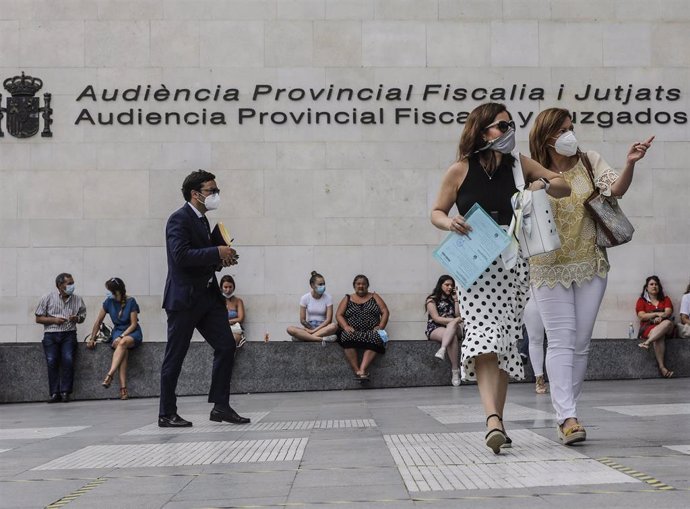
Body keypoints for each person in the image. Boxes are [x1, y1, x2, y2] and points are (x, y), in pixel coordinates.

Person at [431, 102, 570, 453]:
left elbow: (562, 184)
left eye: (511, 126)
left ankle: (499, 422)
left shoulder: (519, 164)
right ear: (481, 131)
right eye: (501, 126)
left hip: (513, 264)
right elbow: (436, 212)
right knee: (482, 336)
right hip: (474, 266)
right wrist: (450, 222)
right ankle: (491, 418)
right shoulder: (460, 169)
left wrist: (541, 186)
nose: (508, 132)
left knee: (506, 340)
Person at [528, 107, 653, 445]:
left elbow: (616, 191)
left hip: (590, 264)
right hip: (547, 267)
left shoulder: (588, 160)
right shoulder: (530, 169)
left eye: (572, 127)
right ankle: (567, 417)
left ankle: (569, 410)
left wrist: (630, 163)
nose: (572, 134)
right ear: (549, 135)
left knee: (581, 343)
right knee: (561, 340)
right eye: (565, 129)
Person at [159, 169, 250, 428]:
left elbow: (202, 258)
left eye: (216, 190)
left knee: (226, 345)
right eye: (212, 191)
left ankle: (220, 406)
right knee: (175, 357)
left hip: (208, 298)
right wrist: (215, 252)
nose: (216, 195)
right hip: (184, 300)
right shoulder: (178, 219)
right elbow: (181, 256)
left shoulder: (202, 221)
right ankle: (166, 412)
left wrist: (221, 260)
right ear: (195, 194)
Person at [87, 277, 143, 400]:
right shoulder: (108, 302)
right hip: (117, 332)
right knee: (123, 349)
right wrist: (92, 338)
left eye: (110, 291)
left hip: (131, 332)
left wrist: (122, 336)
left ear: (117, 291)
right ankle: (123, 389)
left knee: (122, 342)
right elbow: (98, 321)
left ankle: (110, 374)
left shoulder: (131, 301)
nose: (108, 293)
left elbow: (133, 324)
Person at [35, 273, 87, 403]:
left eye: (72, 283)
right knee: (52, 361)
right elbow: (38, 318)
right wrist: (54, 320)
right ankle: (54, 393)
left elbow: (82, 317)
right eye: (69, 283)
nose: (72, 286)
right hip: (51, 335)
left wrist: (77, 318)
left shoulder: (78, 299)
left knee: (68, 359)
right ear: (60, 285)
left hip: (69, 334)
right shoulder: (47, 297)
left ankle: (65, 392)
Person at [335, 274, 390, 381]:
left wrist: (381, 326)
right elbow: (338, 314)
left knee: (376, 337)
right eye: (358, 284)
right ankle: (357, 370)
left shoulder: (375, 296)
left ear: (367, 285)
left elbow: (385, 311)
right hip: (353, 331)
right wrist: (345, 326)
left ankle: (363, 369)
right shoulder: (347, 298)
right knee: (346, 336)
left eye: (363, 284)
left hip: (371, 331)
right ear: (354, 286)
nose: (361, 286)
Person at [425, 275, 463, 387]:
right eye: (447, 285)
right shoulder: (431, 299)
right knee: (453, 337)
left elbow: (458, 315)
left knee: (453, 328)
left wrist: (456, 299)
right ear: (440, 285)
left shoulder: (454, 298)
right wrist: (454, 320)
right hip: (436, 327)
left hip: (455, 327)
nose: (450, 287)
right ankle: (455, 371)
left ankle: (443, 348)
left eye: (451, 285)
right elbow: (436, 318)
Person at [636, 275, 675, 378]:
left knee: (667, 323)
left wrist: (661, 318)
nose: (654, 286)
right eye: (651, 284)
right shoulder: (642, 301)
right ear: (646, 287)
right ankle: (662, 368)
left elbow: (668, 312)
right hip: (649, 328)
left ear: (659, 287)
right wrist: (656, 314)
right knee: (659, 337)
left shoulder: (665, 299)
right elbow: (642, 316)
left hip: (667, 327)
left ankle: (647, 342)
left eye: (656, 284)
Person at [286, 271, 339, 344]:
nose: (323, 286)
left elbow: (328, 320)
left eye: (324, 284)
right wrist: (310, 329)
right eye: (320, 284)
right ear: (312, 285)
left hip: (323, 327)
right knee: (290, 329)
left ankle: (304, 338)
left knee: (334, 326)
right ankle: (321, 339)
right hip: (309, 327)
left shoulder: (328, 298)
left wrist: (313, 331)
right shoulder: (305, 298)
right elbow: (302, 320)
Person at [523, 295, 548, 394]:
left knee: (556, 340)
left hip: (556, 293)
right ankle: (539, 379)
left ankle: (558, 380)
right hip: (532, 292)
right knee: (535, 338)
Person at [220, 275, 246, 348]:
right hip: (221, 330)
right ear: (221, 288)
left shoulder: (238, 301)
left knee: (232, 340)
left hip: (235, 330)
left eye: (230, 287)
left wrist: (227, 322)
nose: (228, 290)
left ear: (233, 287)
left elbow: (241, 318)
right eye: (225, 287)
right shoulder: (218, 301)